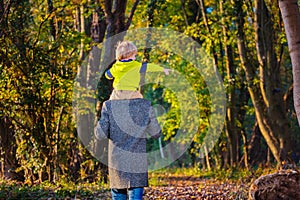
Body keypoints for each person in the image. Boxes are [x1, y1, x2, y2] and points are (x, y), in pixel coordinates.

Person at [95, 98, 162, 200]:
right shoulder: (145, 105)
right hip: (137, 163)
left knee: (118, 194)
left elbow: (100, 134)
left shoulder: (109, 106)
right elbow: (156, 133)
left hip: (117, 163)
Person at [105, 40, 170, 100]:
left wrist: (109, 74)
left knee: (111, 104)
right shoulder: (136, 65)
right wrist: (162, 69)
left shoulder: (116, 66)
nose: (135, 57)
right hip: (132, 92)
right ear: (129, 55)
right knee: (141, 101)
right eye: (134, 55)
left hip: (118, 92)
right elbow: (149, 67)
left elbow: (108, 75)